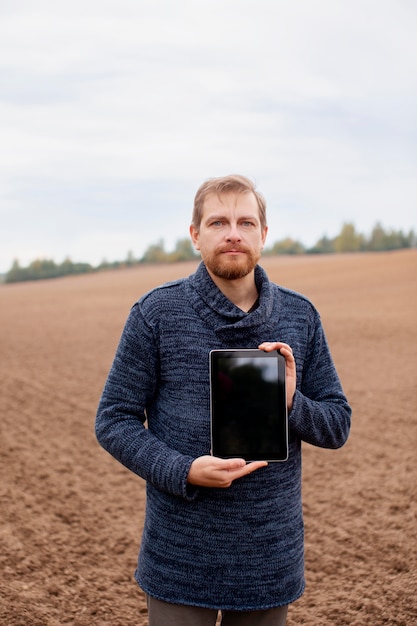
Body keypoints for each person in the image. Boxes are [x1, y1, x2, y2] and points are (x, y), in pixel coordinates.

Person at [95, 174, 351, 626]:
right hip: (180, 554)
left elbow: (337, 426)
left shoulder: (300, 316)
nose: (234, 233)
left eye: (246, 222)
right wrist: (183, 470)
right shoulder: (156, 314)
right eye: (218, 222)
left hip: (269, 556)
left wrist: (293, 401)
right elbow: (114, 420)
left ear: (263, 235)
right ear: (195, 236)